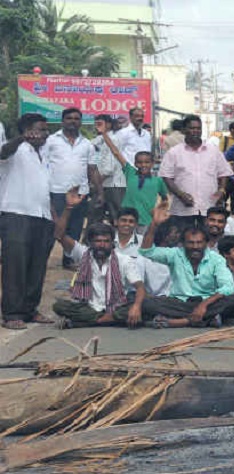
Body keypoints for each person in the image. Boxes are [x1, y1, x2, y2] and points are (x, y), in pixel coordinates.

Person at [138, 202, 234, 328]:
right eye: (191, 243)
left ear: (206, 243)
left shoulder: (216, 259)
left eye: (199, 243)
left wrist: (203, 305)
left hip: (208, 302)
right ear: (182, 243)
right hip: (179, 302)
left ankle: (182, 321)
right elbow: (146, 251)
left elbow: (228, 286)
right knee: (147, 304)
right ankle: (207, 319)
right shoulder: (175, 254)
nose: (195, 247)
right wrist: (154, 225)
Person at [52, 188, 146, 329]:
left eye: (106, 241)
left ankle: (84, 322)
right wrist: (68, 208)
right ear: (90, 242)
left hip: (117, 305)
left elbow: (140, 287)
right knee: (59, 306)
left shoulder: (124, 260)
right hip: (90, 307)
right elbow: (59, 235)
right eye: (98, 241)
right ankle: (108, 320)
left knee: (141, 306)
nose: (102, 245)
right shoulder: (84, 253)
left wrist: (136, 307)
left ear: (111, 243)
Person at [0, 114, 55, 329]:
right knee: (16, 266)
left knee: (37, 265)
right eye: (41, 129)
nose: (46, 133)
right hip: (16, 214)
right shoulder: (15, 149)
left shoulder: (42, 153)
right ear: (28, 131)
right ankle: (12, 313)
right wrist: (20, 139)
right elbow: (3, 152)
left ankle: (30, 309)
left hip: (42, 216)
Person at [43, 108, 103, 268]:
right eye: (69, 118)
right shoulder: (50, 140)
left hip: (80, 195)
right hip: (56, 192)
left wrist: (100, 193)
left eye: (77, 118)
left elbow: (92, 169)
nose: (73, 121)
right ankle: (41, 259)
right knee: (51, 228)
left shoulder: (87, 144)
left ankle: (68, 260)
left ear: (81, 122)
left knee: (75, 229)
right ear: (63, 121)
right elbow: (41, 165)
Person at [159, 115, 233, 230]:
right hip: (182, 209)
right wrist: (180, 194)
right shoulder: (174, 152)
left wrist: (222, 190)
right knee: (182, 242)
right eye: (192, 128)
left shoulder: (213, 151)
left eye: (198, 128)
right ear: (184, 130)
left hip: (208, 207)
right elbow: (167, 176)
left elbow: (224, 172)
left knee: (208, 240)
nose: (196, 131)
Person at [95, 119, 168, 233]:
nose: (143, 165)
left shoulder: (158, 181)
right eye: (140, 162)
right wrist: (104, 133)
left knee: (143, 248)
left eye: (147, 162)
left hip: (146, 221)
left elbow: (164, 199)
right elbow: (116, 152)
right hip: (127, 221)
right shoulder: (130, 172)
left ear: (152, 163)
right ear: (135, 164)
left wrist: (159, 211)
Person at [91, 114, 127, 225]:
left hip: (114, 185)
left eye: (100, 124)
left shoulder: (113, 139)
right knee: (95, 218)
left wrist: (94, 183)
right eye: (96, 124)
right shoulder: (95, 140)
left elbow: (109, 169)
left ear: (109, 125)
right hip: (100, 184)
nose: (97, 127)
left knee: (117, 219)